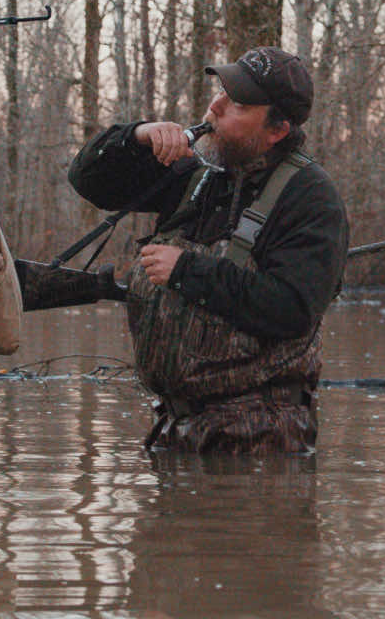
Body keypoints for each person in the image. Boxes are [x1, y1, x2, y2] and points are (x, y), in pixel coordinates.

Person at [36, 47, 349, 454]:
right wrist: (137, 136)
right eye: (220, 91)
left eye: (236, 103)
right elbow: (88, 180)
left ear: (276, 131)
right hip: (173, 430)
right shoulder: (196, 174)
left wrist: (187, 271)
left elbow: (292, 309)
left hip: (261, 440)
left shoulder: (310, 197)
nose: (214, 106)